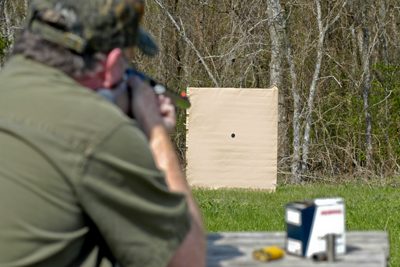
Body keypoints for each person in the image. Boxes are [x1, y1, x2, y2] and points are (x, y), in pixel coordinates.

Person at [0, 0, 205, 266]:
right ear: (112, 64)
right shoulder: (99, 129)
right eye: (127, 68)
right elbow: (187, 259)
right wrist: (155, 132)